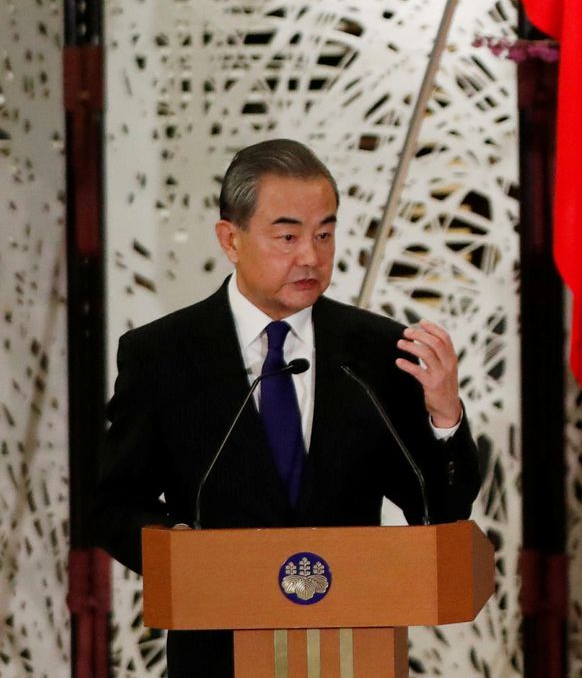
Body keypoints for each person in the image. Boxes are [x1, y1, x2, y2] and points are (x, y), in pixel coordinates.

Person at [94, 139, 483, 677]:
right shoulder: (163, 355)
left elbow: (438, 512)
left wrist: (444, 415)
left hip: (351, 652)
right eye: (287, 236)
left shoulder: (374, 352)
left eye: (325, 233)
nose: (311, 256)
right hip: (217, 654)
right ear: (231, 239)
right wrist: (171, 549)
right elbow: (113, 502)